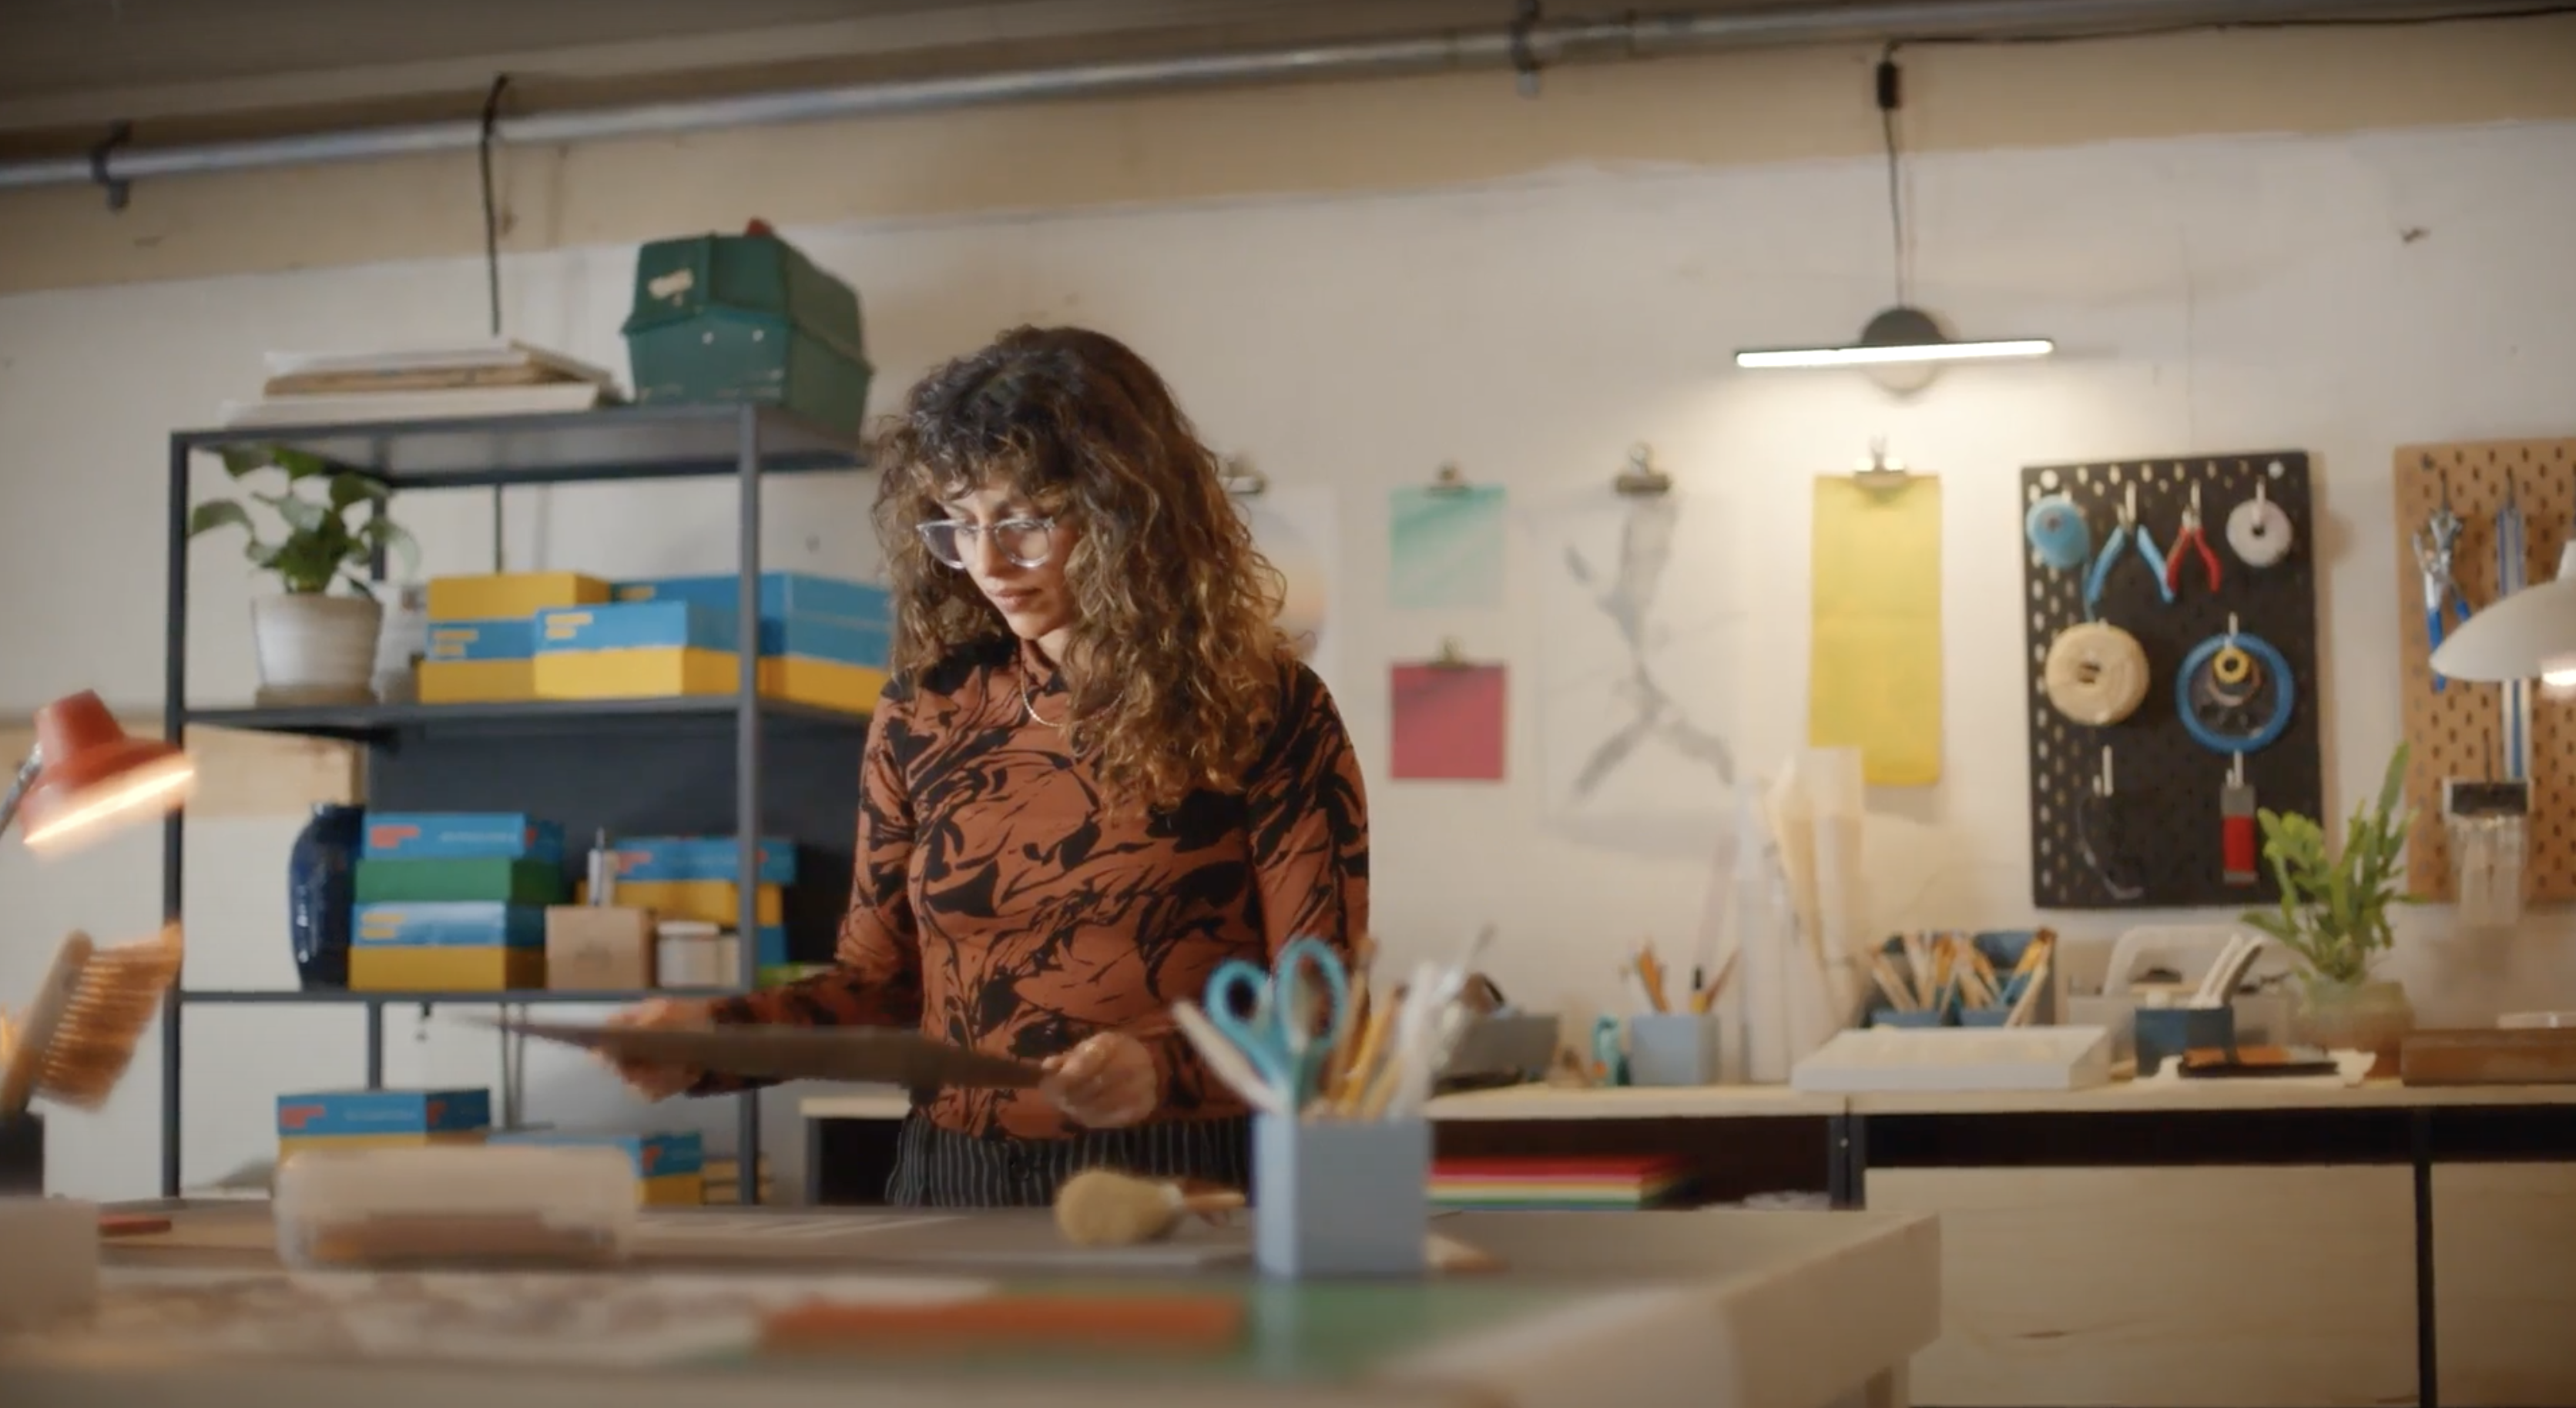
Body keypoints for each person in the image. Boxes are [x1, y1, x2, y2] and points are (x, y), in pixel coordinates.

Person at [608, 324, 1370, 1208]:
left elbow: (1315, 1005)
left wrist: (1162, 1069)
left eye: (1023, 522)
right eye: (958, 525)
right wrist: (713, 1038)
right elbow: (878, 986)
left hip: (1179, 1178)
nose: (986, 564)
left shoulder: (1270, 711)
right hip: (953, 1177)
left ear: (1128, 511)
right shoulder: (923, 713)